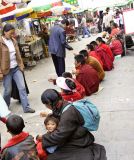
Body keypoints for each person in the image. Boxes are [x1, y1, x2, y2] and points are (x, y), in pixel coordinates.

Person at [40, 89, 107, 160]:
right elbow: (58, 117)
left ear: (50, 103)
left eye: (46, 104)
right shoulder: (62, 103)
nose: (46, 106)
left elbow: (60, 135)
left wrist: (44, 138)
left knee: (53, 156)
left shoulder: (68, 113)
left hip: (79, 139)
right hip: (75, 132)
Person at [0, 24, 35, 113]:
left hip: (16, 68)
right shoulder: (1, 42)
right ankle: (4, 108)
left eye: (13, 33)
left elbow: (18, 54)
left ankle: (26, 107)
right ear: (5, 32)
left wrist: (21, 65)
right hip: (6, 70)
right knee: (8, 90)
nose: (12, 35)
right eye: (10, 33)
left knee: (22, 88)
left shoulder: (14, 41)